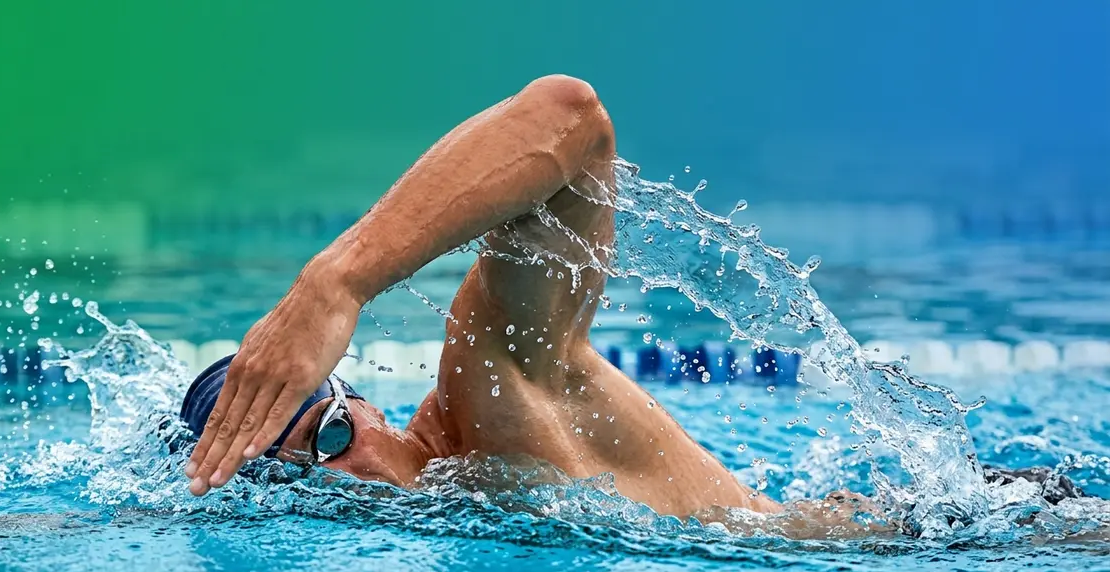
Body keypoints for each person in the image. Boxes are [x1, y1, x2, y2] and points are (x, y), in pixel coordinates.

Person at [177, 75, 1083, 535]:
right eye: (301, 474)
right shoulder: (452, 508)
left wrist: (333, 283)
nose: (349, 470)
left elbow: (566, 115)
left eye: (334, 432)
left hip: (981, 540)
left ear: (365, 401)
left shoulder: (487, 393)